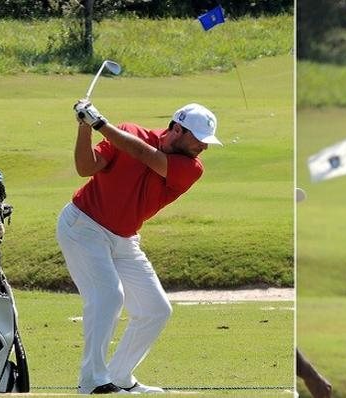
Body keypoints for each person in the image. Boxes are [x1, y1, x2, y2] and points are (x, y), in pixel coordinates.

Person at [57, 100, 222, 394]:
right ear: (177, 129)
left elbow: (145, 155)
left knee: (156, 310)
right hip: (83, 226)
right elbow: (85, 168)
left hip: (125, 238)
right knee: (108, 297)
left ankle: (120, 376)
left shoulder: (191, 168)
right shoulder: (128, 132)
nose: (204, 147)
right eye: (199, 139)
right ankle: (92, 381)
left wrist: (100, 125)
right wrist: (84, 127)